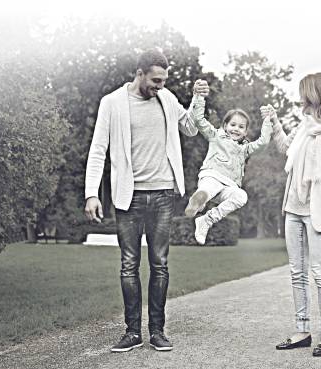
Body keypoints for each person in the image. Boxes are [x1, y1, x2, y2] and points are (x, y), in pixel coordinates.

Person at [84, 49, 210, 353]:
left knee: (160, 264)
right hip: (129, 196)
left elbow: (191, 127)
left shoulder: (166, 98)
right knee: (129, 265)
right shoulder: (112, 103)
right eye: (155, 80)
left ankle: (157, 331)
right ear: (140, 73)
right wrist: (91, 193)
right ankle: (131, 332)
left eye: (164, 81)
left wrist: (199, 98)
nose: (160, 86)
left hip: (164, 193)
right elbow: (98, 149)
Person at [260, 72, 321, 357]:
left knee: (320, 273)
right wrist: (276, 123)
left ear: (316, 95)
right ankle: (302, 330)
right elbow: (285, 149)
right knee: (296, 273)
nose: (300, 98)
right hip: (293, 207)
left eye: (304, 93)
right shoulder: (303, 127)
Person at [184, 86, 273, 244]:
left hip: (228, 186)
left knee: (241, 196)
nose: (236, 129)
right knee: (209, 188)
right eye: (233, 125)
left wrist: (267, 120)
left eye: (241, 127)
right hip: (211, 176)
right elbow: (199, 120)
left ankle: (206, 220)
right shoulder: (216, 136)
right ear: (225, 126)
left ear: (245, 132)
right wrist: (199, 97)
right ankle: (199, 199)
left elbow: (264, 142)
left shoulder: (244, 149)